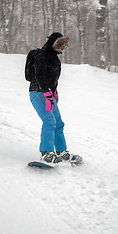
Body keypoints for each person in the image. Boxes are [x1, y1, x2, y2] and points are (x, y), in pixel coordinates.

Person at [25, 32, 73, 164]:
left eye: (65, 48)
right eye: (61, 47)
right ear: (54, 44)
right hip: (37, 92)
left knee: (58, 122)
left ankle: (61, 151)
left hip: (48, 93)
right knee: (49, 121)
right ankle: (46, 153)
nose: (62, 50)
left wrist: (54, 92)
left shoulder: (55, 59)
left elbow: (52, 78)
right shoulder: (42, 55)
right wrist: (47, 93)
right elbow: (39, 75)